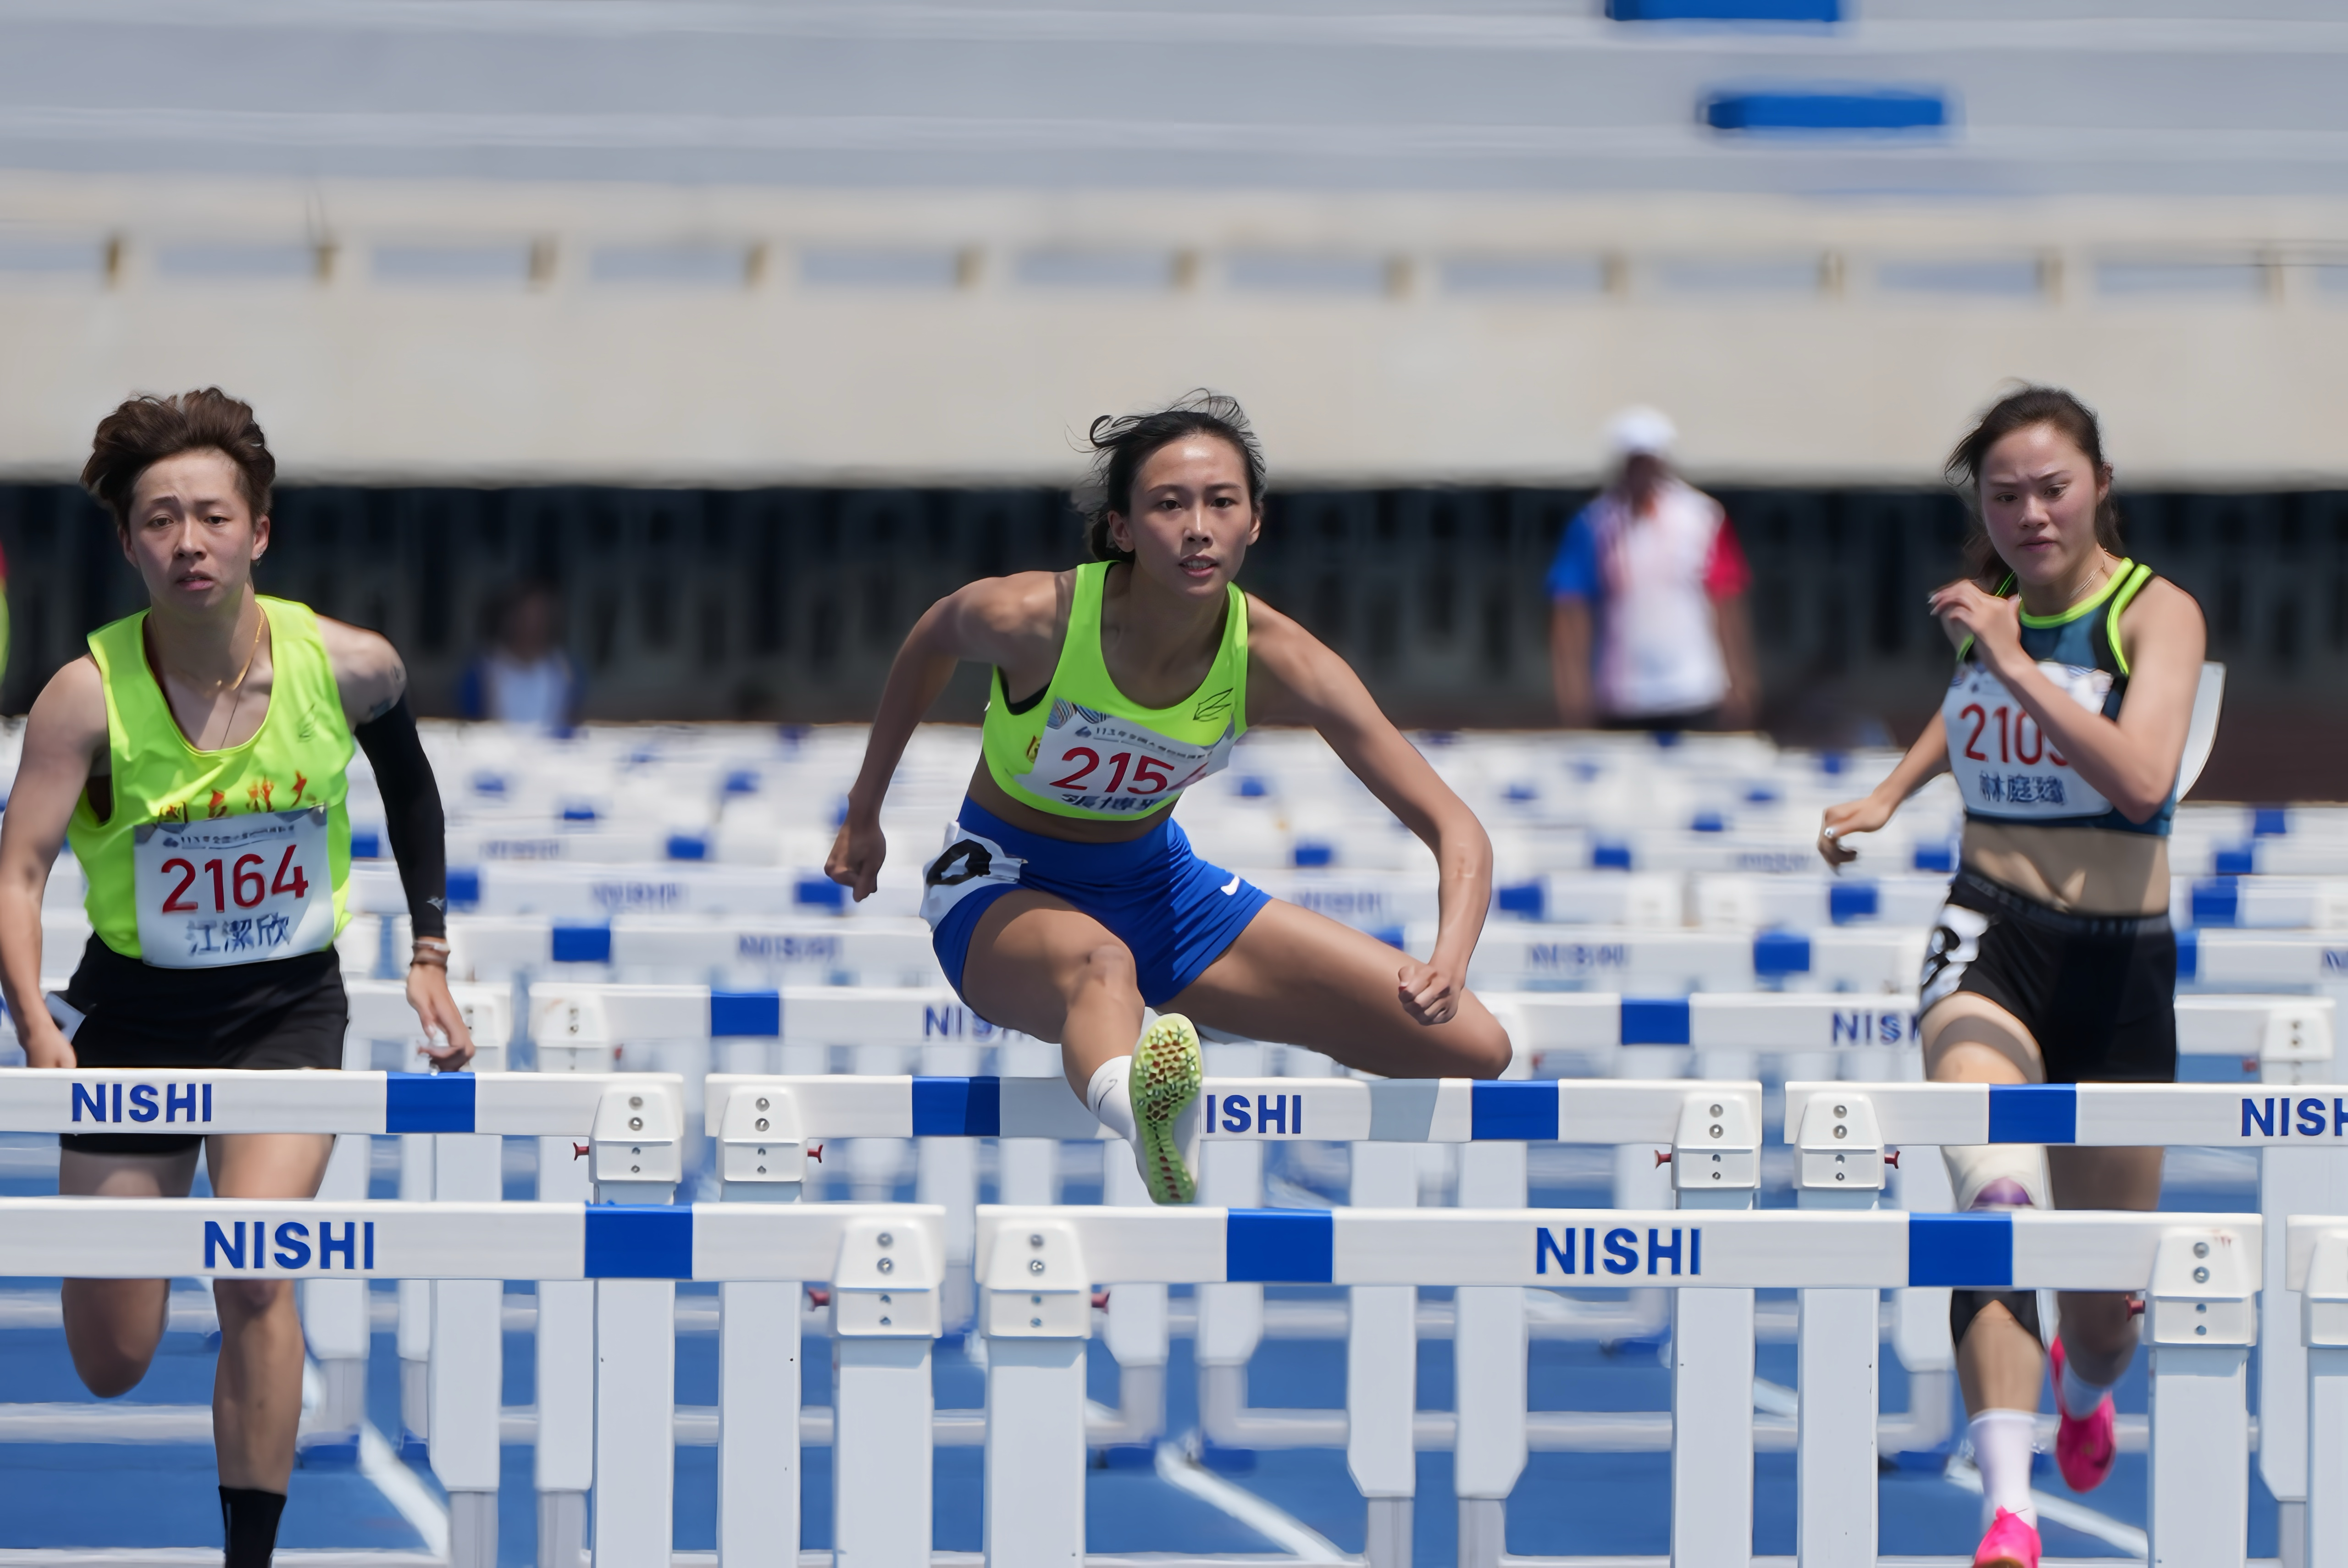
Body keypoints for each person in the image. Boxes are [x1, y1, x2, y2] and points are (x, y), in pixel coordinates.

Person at [0, 390, 472, 1568]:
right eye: (159, 519)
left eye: (211, 515)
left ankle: (247, 1561)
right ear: (128, 543)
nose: (187, 540)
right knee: (111, 1353)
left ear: (259, 529)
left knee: (259, 1268)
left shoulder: (351, 666)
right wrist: (34, 1027)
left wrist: (428, 952)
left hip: (285, 1007)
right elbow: (16, 870)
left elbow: (413, 793)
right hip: (130, 1013)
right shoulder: (83, 694)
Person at [825, 393, 1511, 1203]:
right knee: (1102, 965)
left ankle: (1193, 1026)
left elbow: (1455, 826)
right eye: (1168, 504)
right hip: (1003, 886)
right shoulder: (1034, 618)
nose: (1197, 527)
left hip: (1161, 891)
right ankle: (1148, 1118)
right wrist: (864, 812)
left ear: (1255, 522)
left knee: (1475, 1045)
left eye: (1222, 503)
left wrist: (1450, 959)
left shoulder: (1281, 657)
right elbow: (934, 638)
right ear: (1122, 528)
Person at [1816, 386, 2205, 1568]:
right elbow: (1967, 706)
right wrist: (1892, 791)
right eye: (2004, 494)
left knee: (2098, 1309)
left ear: (2096, 486)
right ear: (1978, 505)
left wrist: (2004, 650)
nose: (2030, 512)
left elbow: (2142, 778)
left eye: (2051, 487)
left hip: (2119, 966)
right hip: (1987, 934)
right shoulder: (1984, 623)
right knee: (1993, 1207)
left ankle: (2083, 1393)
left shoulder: (2155, 614)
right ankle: (2008, 1507)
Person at [1547, 406, 1759, 731]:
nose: (1642, 472)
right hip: (1622, 692)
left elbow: (1726, 599)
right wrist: (1572, 688)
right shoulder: (1594, 523)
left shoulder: (1702, 518)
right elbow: (1570, 608)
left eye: (1649, 461)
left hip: (1694, 687)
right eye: (1635, 462)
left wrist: (1741, 678)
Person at [456, 579, 577, 728]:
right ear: (508, 619)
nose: (532, 627)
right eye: (525, 617)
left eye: (540, 618)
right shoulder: (481, 672)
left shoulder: (564, 672)